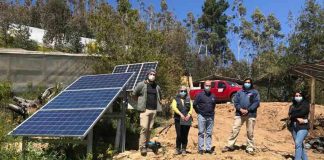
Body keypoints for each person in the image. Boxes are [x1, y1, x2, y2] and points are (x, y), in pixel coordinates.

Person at [222, 78, 260, 155]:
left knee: (250, 132)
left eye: (249, 82)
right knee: (235, 129)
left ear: (251, 83)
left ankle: (250, 147)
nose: (247, 83)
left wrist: (248, 110)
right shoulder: (239, 92)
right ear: (243, 83)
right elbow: (235, 102)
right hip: (239, 114)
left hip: (251, 114)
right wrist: (240, 109)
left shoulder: (255, 92)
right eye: (246, 82)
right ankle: (230, 145)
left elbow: (256, 103)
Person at [132, 69, 162, 156]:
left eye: (154, 74)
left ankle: (147, 145)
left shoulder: (157, 86)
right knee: (144, 128)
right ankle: (142, 147)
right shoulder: (141, 84)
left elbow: (160, 96)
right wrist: (140, 103)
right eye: (151, 74)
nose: (152, 75)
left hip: (153, 110)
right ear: (147, 75)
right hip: (145, 110)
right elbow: (134, 94)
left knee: (149, 129)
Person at [193, 80, 217, 154]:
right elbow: (194, 104)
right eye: (207, 85)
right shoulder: (199, 95)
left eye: (209, 85)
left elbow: (214, 105)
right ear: (204, 86)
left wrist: (212, 113)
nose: (208, 87)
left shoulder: (213, 95)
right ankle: (200, 149)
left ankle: (208, 148)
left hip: (210, 117)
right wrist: (199, 112)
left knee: (209, 133)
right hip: (202, 116)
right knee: (201, 133)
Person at [171, 86, 193, 155]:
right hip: (178, 119)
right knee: (179, 134)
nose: (183, 92)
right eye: (181, 91)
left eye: (184, 91)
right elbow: (174, 107)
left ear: (186, 92)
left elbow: (191, 107)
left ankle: (184, 149)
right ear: (179, 91)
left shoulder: (188, 99)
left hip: (187, 119)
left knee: (185, 135)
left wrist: (189, 114)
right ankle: (178, 148)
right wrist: (180, 114)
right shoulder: (175, 99)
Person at [288, 91, 310, 160]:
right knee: (300, 145)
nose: (297, 97)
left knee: (297, 143)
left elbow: (303, 112)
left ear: (302, 96)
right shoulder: (292, 105)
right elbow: (290, 114)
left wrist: (294, 114)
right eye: (296, 96)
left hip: (303, 126)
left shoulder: (306, 104)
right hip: (293, 127)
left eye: (299, 95)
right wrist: (296, 116)